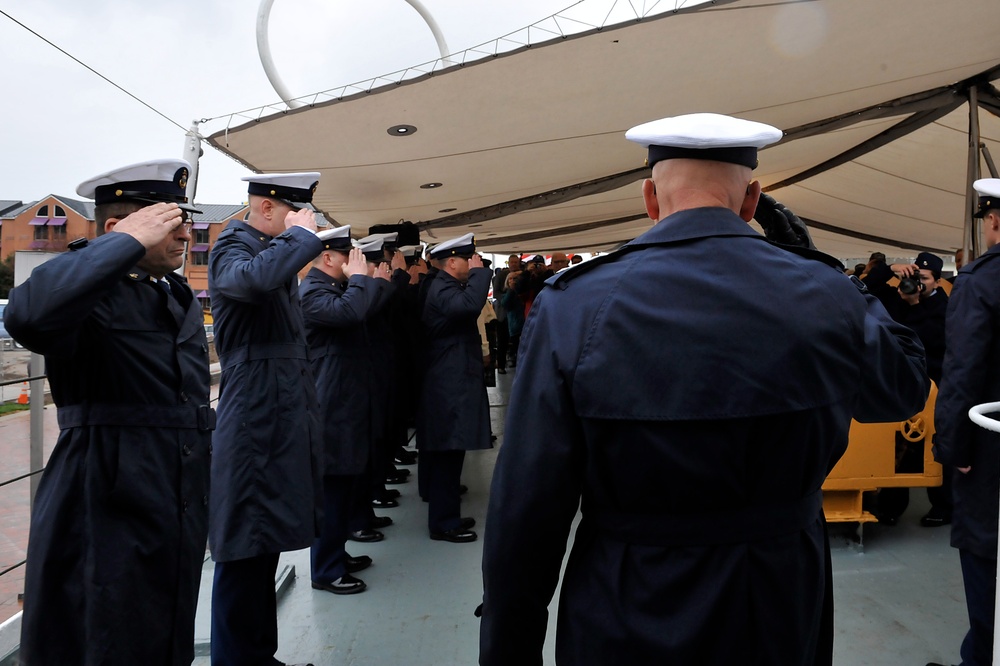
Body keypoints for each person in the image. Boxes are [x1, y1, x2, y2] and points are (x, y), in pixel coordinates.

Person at [479, 113, 929, 665]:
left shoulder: (576, 304)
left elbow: (528, 498)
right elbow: (900, 391)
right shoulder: (827, 293)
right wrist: (830, 278)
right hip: (781, 591)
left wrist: (508, 645)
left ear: (649, 197)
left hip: (629, 595)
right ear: (752, 199)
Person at [6, 159, 213, 665]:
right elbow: (26, 315)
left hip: (176, 488)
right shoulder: (87, 291)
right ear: (120, 229)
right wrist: (118, 247)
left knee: (168, 624)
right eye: (167, 220)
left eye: (184, 218)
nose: (185, 232)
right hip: (107, 492)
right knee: (105, 632)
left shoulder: (174, 290)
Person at [208, 172, 325, 666]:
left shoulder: (269, 252)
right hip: (255, 409)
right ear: (268, 209)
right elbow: (247, 282)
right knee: (244, 544)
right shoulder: (232, 245)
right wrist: (302, 237)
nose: (306, 225)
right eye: (298, 216)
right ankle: (237, 659)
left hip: (278, 409)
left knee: (266, 537)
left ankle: (258, 655)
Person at [300, 228, 393, 596]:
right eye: (347, 257)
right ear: (328, 259)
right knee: (332, 491)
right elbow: (353, 312)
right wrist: (360, 278)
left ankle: (337, 553)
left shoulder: (333, 289)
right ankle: (325, 569)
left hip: (345, 402)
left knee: (344, 485)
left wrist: (358, 281)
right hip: (330, 406)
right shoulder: (313, 293)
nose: (353, 263)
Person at [931, 178, 1000, 666]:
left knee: (985, 551)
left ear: (995, 220)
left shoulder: (981, 282)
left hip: (991, 446)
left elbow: (963, 373)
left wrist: (953, 450)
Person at [417, 233, 493, 543]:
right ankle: (443, 523)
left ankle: (446, 514)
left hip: (451, 378)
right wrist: (480, 273)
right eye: (468, 259)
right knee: (448, 451)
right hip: (448, 381)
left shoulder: (446, 286)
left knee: (450, 451)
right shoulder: (443, 288)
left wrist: (474, 273)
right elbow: (469, 306)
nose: (473, 263)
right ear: (452, 262)